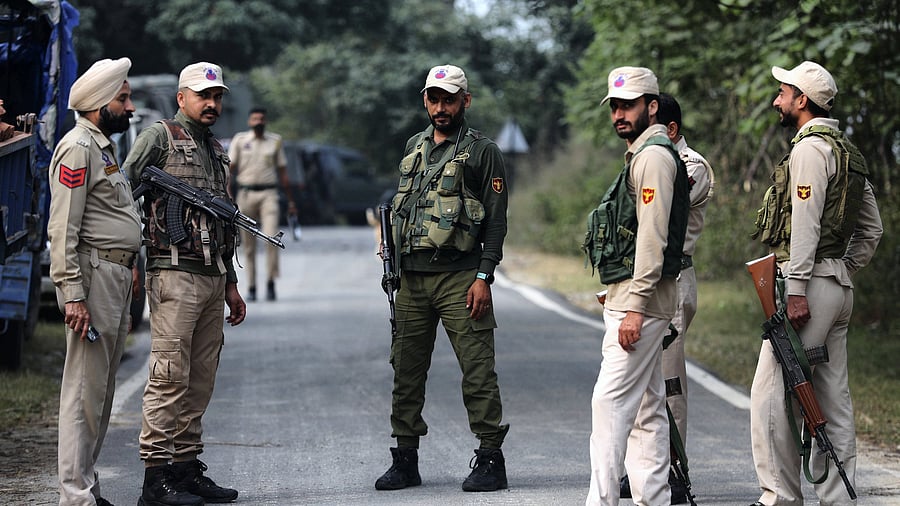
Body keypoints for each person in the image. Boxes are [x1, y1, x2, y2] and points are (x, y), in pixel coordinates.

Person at [749, 61, 882, 506]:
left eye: (782, 92)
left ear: (801, 100)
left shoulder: (809, 150)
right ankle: (838, 500)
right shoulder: (848, 152)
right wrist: (844, 270)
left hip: (807, 287)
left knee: (770, 396)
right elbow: (872, 230)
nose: (776, 100)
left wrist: (802, 286)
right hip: (837, 287)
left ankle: (779, 498)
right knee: (832, 399)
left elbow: (804, 225)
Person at [375, 64, 510, 493]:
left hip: (460, 278)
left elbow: (495, 221)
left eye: (449, 99)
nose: (440, 107)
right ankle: (405, 457)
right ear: (425, 101)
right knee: (406, 370)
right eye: (434, 99)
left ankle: (491, 457)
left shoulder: (481, 151)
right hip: (411, 280)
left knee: (477, 369)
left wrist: (484, 276)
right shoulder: (415, 146)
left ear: (464, 101)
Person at [121, 62, 246, 506]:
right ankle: (156, 479)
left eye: (217, 97)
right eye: (202, 96)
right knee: (169, 374)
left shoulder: (214, 147)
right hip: (173, 272)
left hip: (212, 275)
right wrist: (129, 257)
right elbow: (122, 193)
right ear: (182, 98)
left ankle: (187, 467)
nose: (211, 104)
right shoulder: (159, 137)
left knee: (200, 378)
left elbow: (222, 220)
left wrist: (231, 282)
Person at [583, 66, 690, 506]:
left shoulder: (654, 157)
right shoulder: (645, 154)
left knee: (609, 408)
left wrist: (635, 307)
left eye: (629, 106)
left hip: (640, 305)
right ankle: (654, 499)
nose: (620, 115)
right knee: (647, 411)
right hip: (636, 299)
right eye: (615, 107)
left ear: (652, 107)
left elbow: (652, 238)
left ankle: (602, 501)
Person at [48, 57, 140, 506]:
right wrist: (72, 295)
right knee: (84, 389)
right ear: (101, 103)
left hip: (115, 275)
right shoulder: (77, 148)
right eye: (123, 99)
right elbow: (63, 228)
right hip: (93, 277)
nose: (131, 107)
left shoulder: (102, 147)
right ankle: (75, 496)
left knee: (99, 392)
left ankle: (86, 485)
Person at [619, 93, 715, 504]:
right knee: (640, 380)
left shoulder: (691, 165)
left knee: (668, 379)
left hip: (673, 280)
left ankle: (674, 468)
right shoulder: (646, 160)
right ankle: (644, 468)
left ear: (671, 129)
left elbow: (660, 211)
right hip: (644, 277)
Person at [227, 107, 292, 301]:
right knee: (248, 245)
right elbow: (229, 169)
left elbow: (283, 172)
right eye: (255, 119)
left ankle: (271, 282)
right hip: (246, 194)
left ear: (266, 121)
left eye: (261, 119)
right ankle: (252, 286)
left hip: (269, 194)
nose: (258, 122)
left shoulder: (275, 141)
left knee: (272, 237)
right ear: (249, 121)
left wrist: (291, 201)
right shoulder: (240, 141)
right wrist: (228, 193)